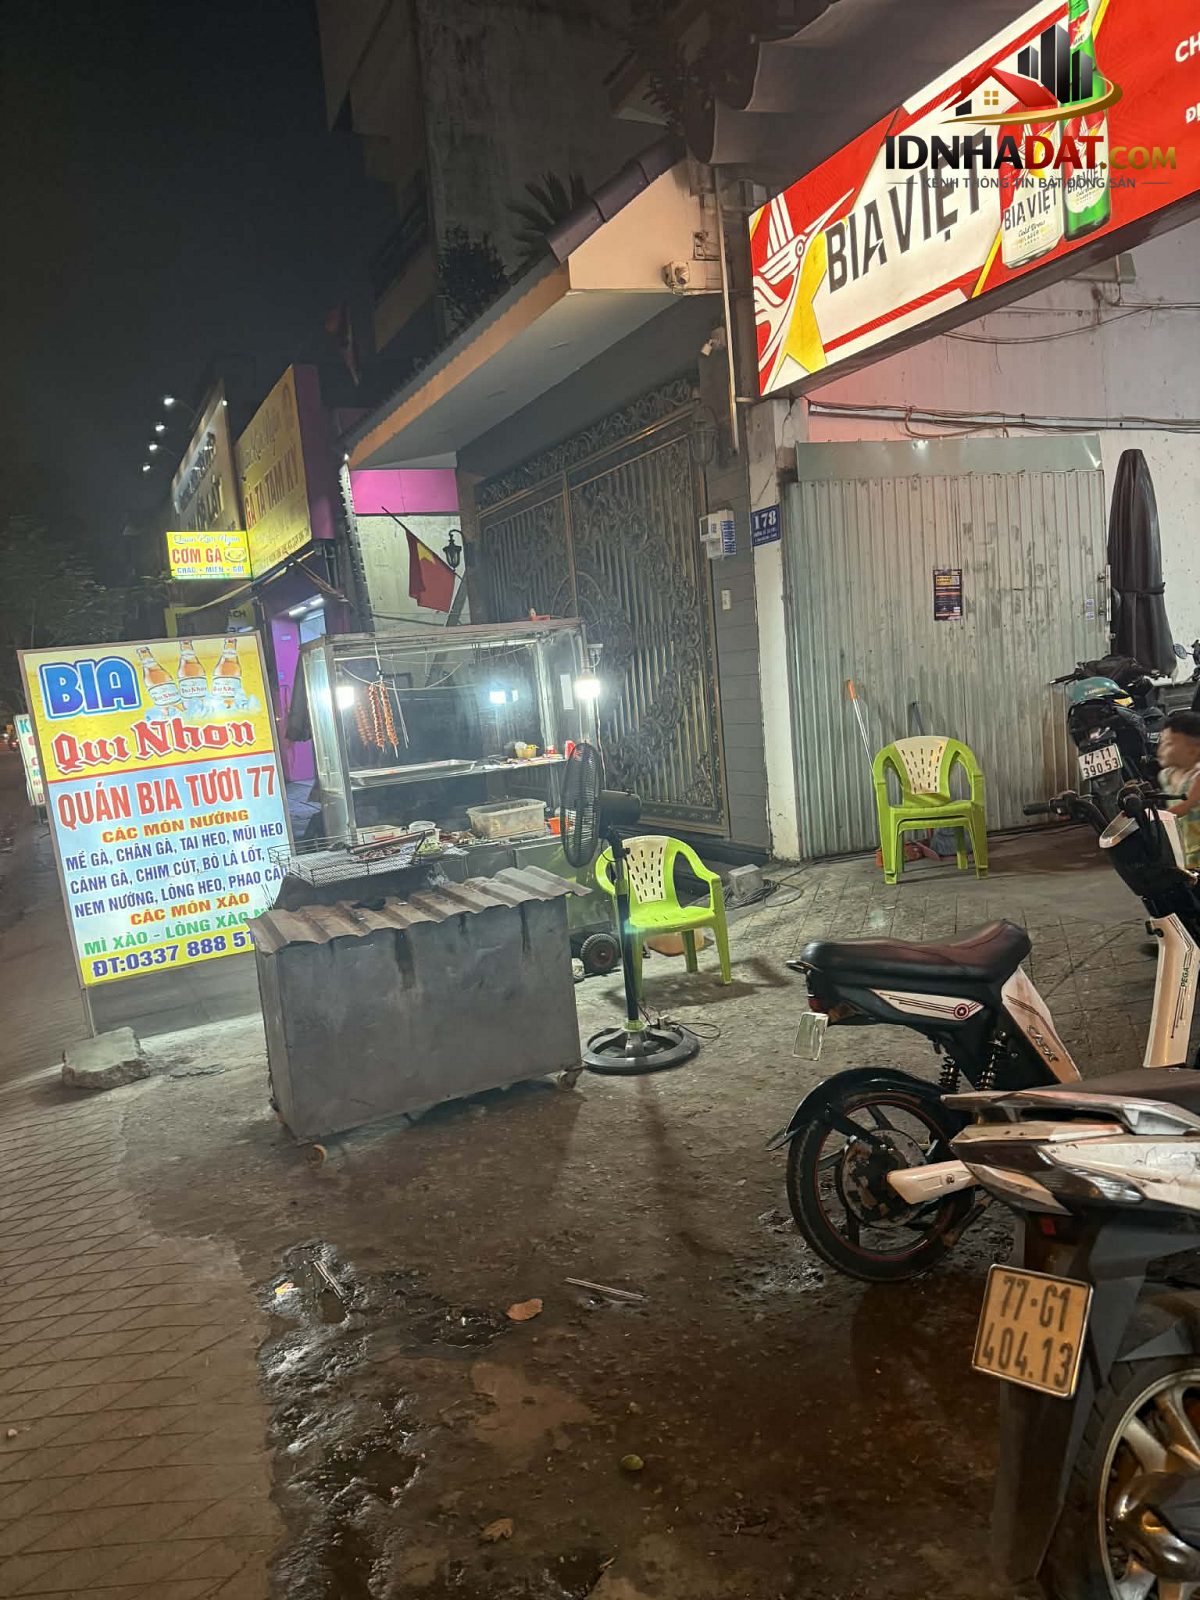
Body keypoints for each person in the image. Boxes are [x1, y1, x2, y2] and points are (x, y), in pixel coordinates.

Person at [1157, 710, 1200, 867]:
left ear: (1193, 750)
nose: (1161, 749)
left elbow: (1186, 805)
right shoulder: (1166, 775)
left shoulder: (1197, 777)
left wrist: (1154, 819)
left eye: (1169, 744)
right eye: (1161, 742)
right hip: (1185, 851)